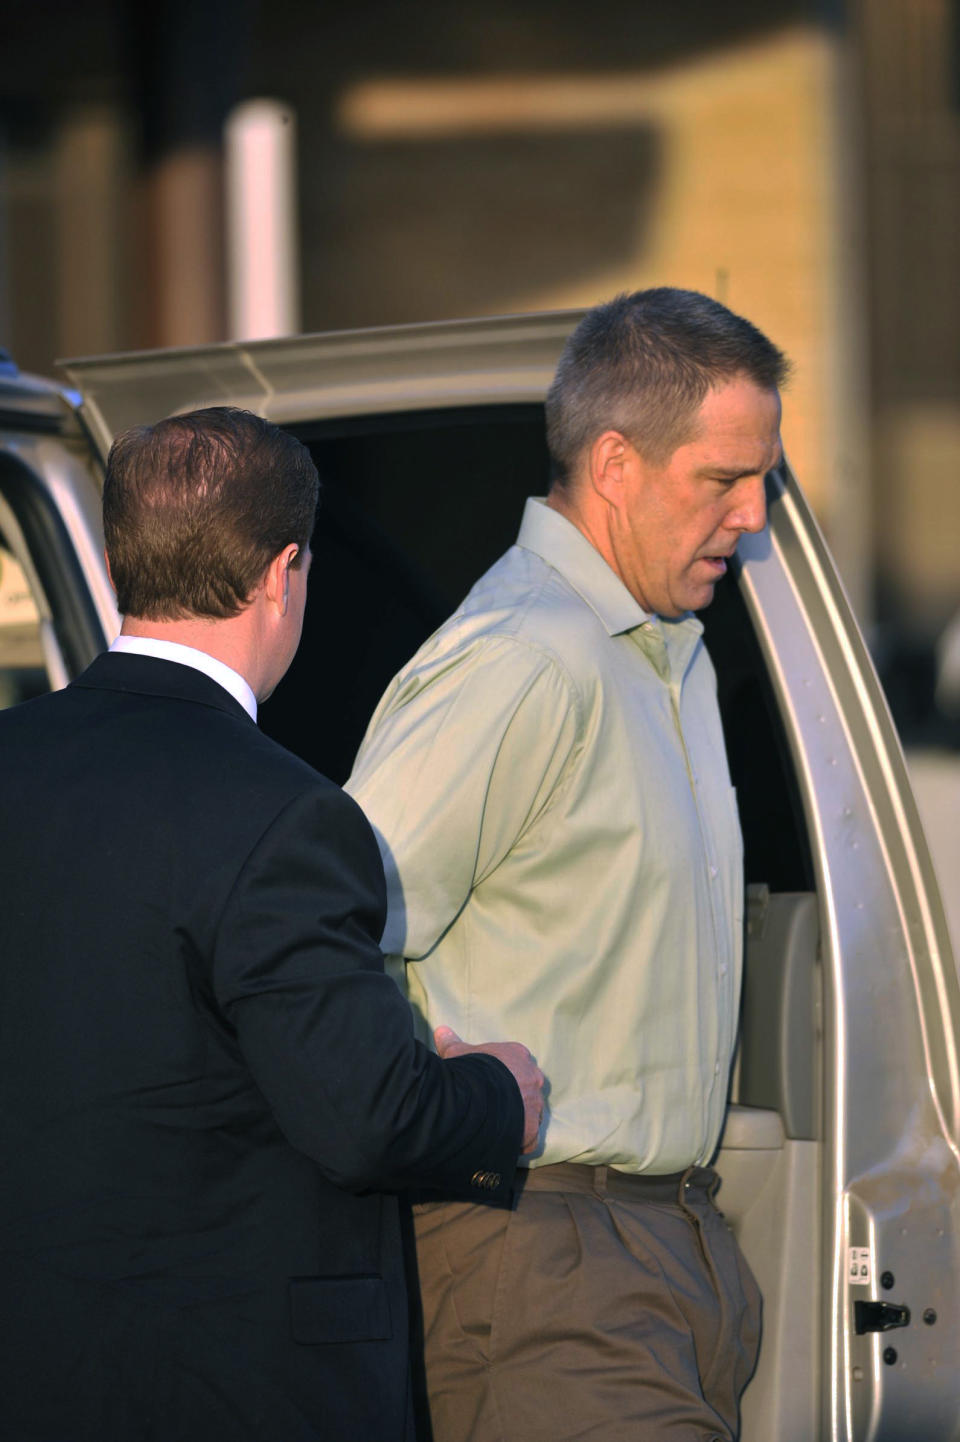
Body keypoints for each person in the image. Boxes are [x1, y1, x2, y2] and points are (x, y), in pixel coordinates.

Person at [0, 407, 544, 1442]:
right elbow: (368, 1116)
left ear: (118, 560)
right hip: (228, 1388)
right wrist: (494, 1094)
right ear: (282, 571)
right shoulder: (286, 815)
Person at [346, 288, 788, 1442]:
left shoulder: (663, 655)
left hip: (671, 1253)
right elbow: (323, 937)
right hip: (540, 1260)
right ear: (615, 463)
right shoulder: (522, 660)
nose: (754, 512)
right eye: (723, 478)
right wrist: (440, 1103)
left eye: (762, 478)